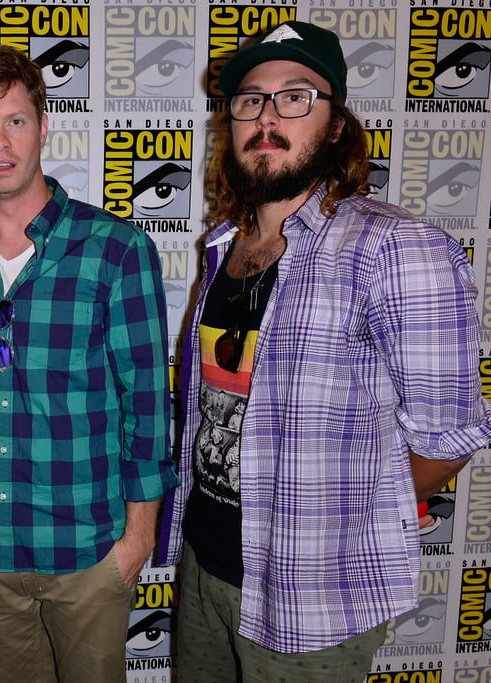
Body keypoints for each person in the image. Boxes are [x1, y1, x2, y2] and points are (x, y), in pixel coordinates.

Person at [157, 21, 491, 681]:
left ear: (337, 124)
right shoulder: (222, 247)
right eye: (250, 99)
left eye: (296, 96)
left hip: (313, 597)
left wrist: (338, 525)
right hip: (206, 566)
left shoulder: (396, 249)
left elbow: (449, 437)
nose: (268, 116)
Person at [0, 46, 178, 682]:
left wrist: (139, 535)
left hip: (89, 548)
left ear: (43, 126)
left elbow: (147, 401)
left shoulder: (116, 250)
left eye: (15, 120)